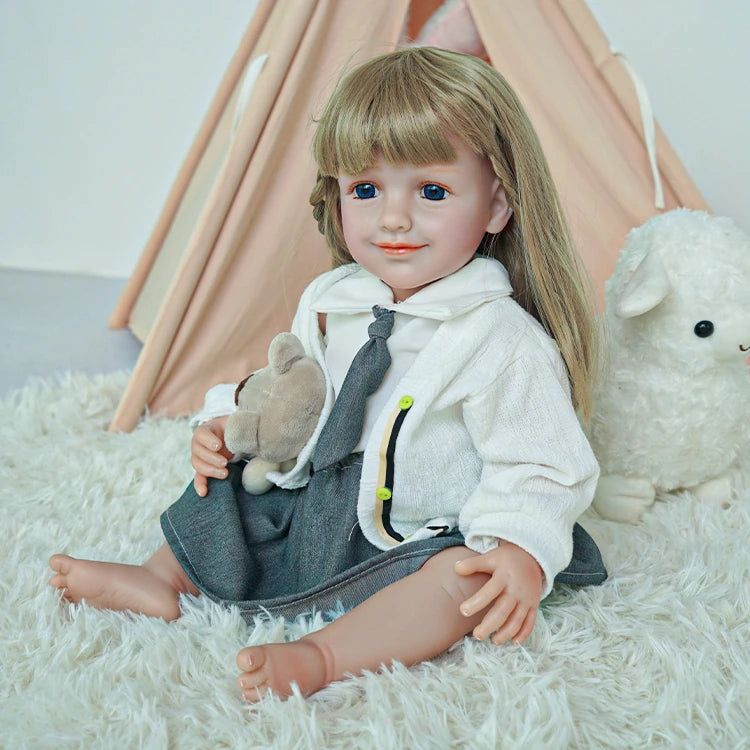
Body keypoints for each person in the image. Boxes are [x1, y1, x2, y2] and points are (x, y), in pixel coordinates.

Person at [49, 46, 606, 702]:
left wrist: (519, 547)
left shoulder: (502, 341)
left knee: (460, 579)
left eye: (431, 191)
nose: (393, 218)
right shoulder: (333, 300)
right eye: (365, 190)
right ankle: (160, 577)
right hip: (319, 500)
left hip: (414, 528)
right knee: (226, 491)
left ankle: (325, 656)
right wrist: (232, 424)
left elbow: (539, 465)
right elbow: (297, 389)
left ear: (497, 206)